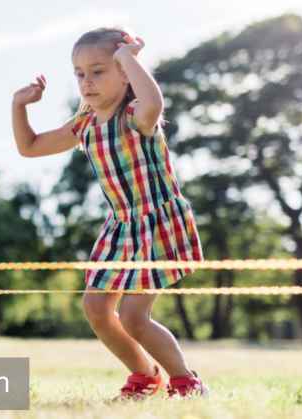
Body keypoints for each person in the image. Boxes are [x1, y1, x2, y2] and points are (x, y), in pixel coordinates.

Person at [11, 27, 207, 399]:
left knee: (134, 317)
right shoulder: (84, 125)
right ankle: (145, 377)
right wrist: (19, 106)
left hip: (157, 222)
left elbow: (154, 105)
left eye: (99, 70)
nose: (87, 81)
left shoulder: (135, 116)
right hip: (121, 227)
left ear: (123, 73)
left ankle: (187, 382)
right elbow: (31, 147)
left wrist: (129, 58)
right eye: (80, 73)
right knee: (96, 307)